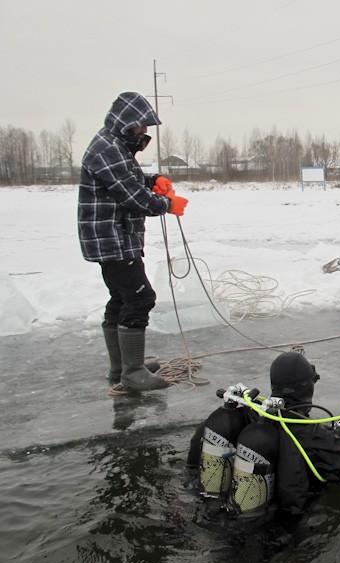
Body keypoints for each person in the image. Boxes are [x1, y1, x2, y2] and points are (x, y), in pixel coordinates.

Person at [187, 351, 340, 520]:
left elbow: (197, 449)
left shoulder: (247, 417)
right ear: (309, 386)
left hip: (212, 511)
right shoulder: (313, 437)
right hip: (276, 535)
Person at [78, 91, 189, 391]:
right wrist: (167, 205)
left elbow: (130, 178)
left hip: (115, 238)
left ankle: (122, 367)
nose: (145, 133)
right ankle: (132, 372)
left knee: (121, 298)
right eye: (141, 127)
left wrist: (153, 181)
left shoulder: (114, 145)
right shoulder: (108, 149)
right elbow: (132, 197)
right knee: (140, 298)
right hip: (111, 239)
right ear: (127, 123)